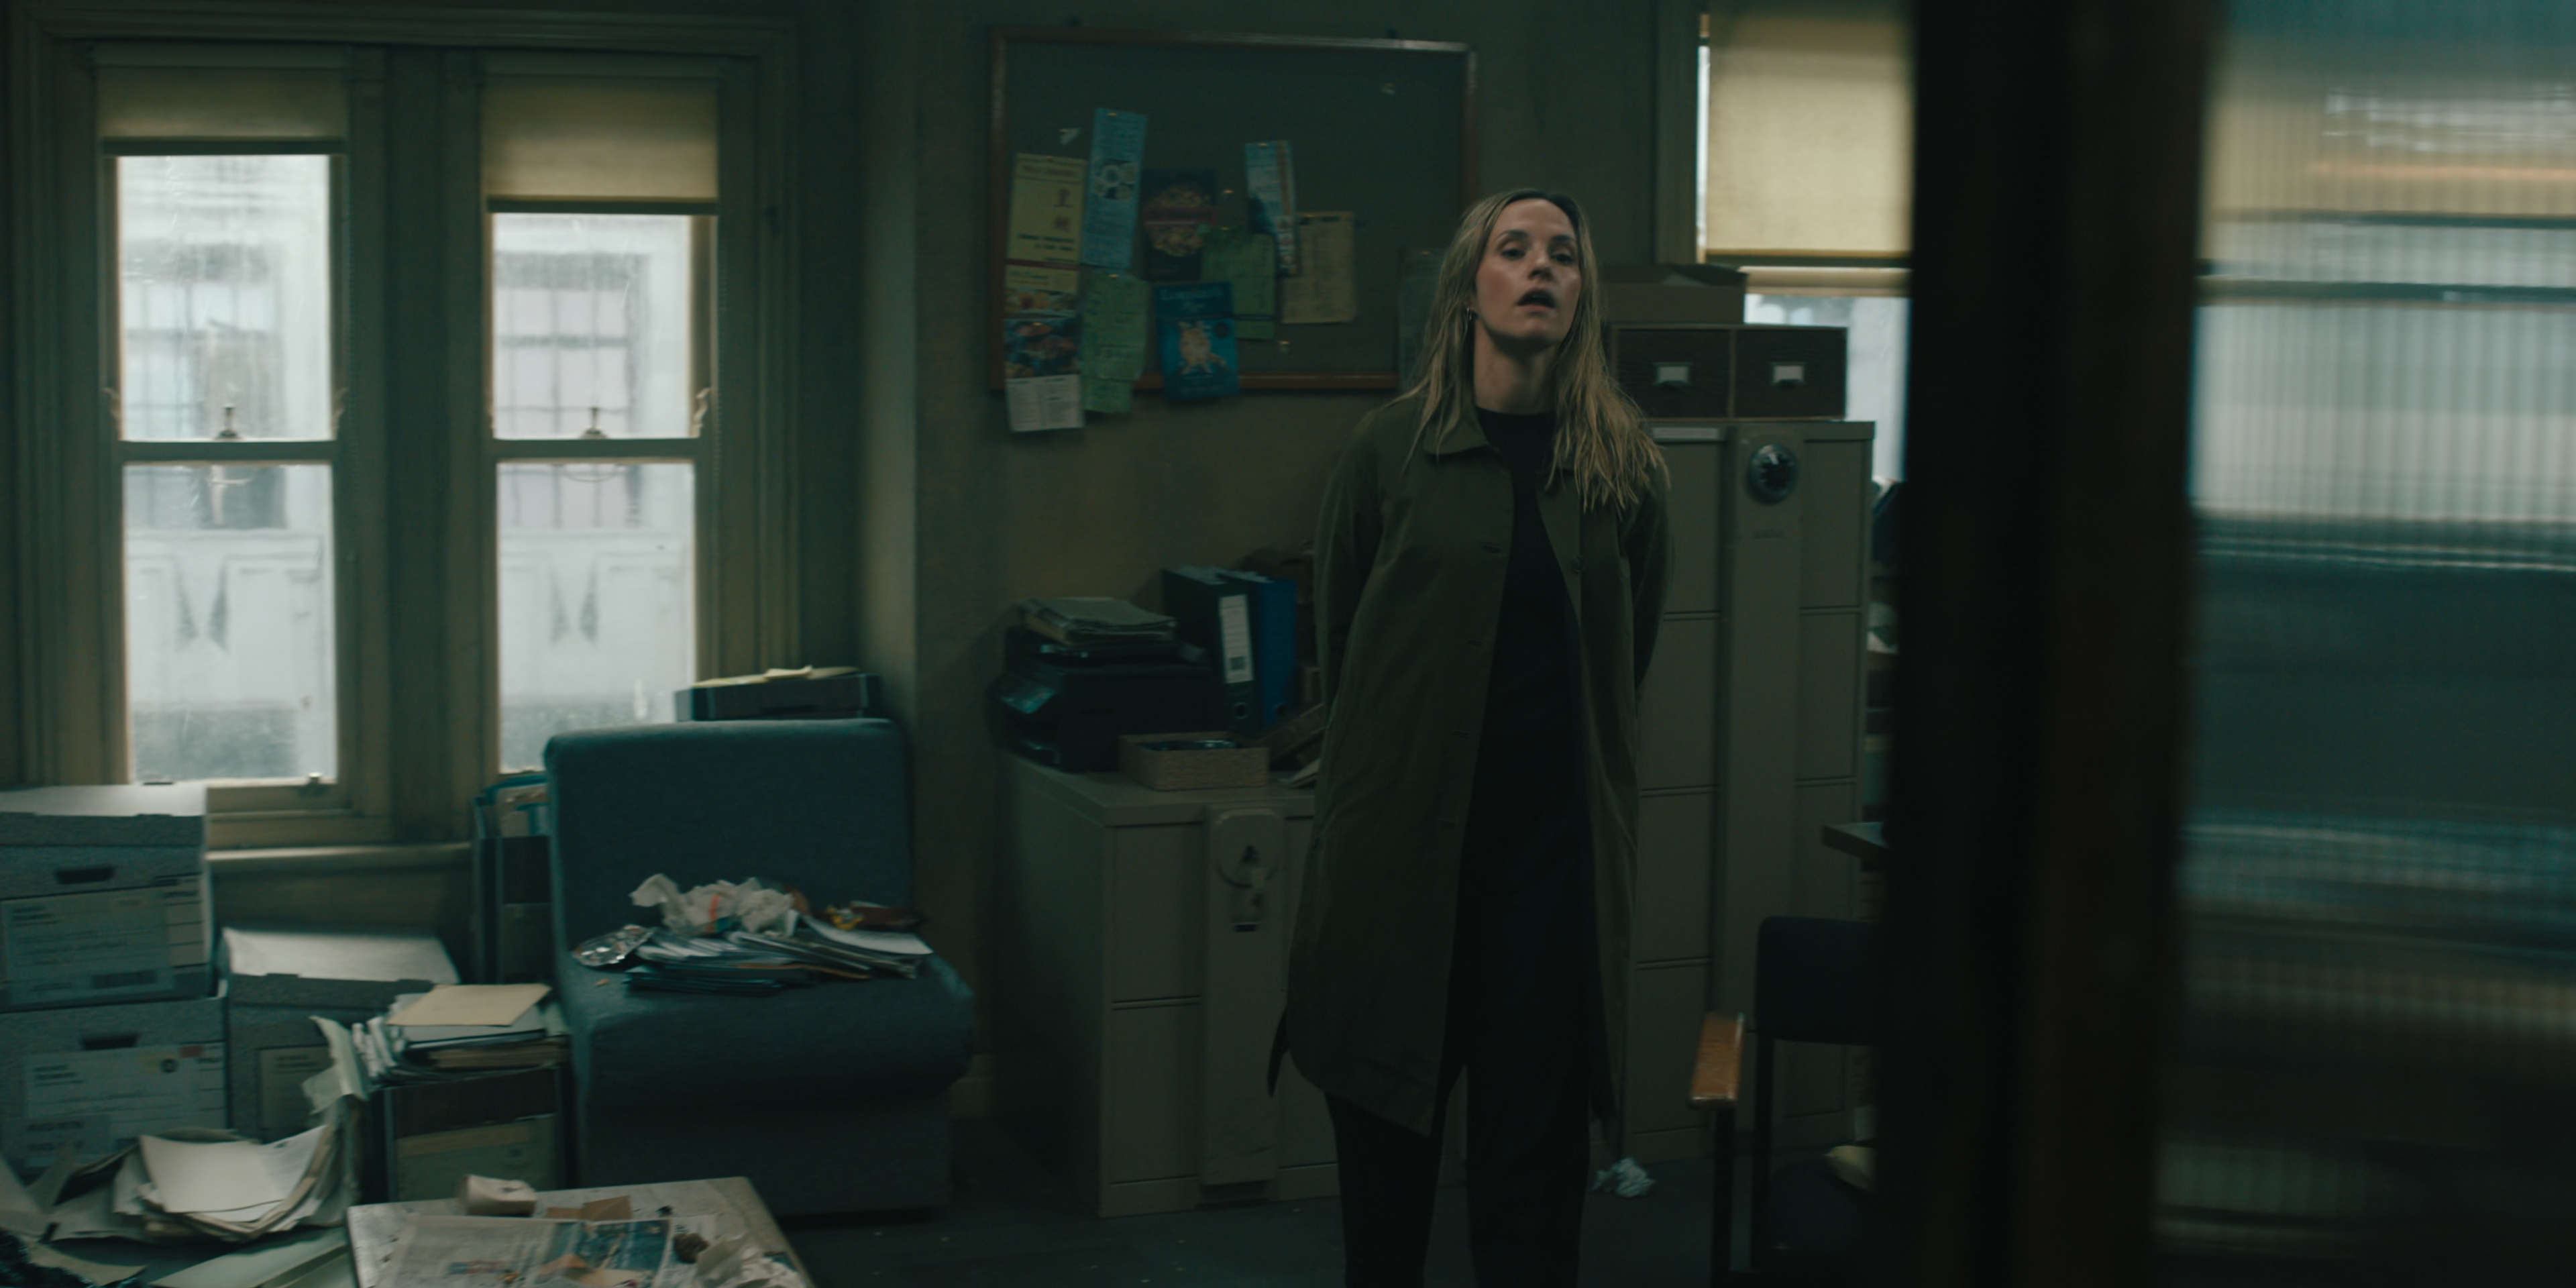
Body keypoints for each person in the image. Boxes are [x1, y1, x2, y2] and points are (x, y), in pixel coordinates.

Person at [1279, 189, 1672, 1286]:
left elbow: (1624, 660)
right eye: (1515, 248)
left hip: (1546, 880)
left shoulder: (1623, 469)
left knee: (1531, 1185)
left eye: (1564, 254)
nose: (1542, 267)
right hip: (1398, 869)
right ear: (1469, 288)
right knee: (1385, 1169)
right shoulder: (1387, 450)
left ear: (1583, 295)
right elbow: (1346, 644)